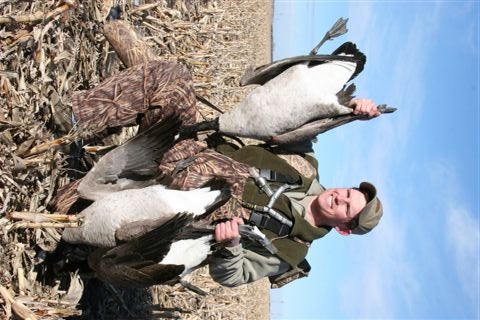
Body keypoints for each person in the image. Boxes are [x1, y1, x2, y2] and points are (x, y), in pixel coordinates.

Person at [51, 21, 383, 289]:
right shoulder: (305, 167)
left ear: (343, 228)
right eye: (348, 192)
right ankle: (76, 115)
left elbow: (231, 276)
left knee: (67, 213)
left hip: (169, 219)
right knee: (173, 77)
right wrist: (351, 109)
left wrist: (232, 245)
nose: (340, 197)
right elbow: (303, 116)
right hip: (182, 155)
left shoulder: (290, 250)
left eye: (346, 207)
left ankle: (84, 222)